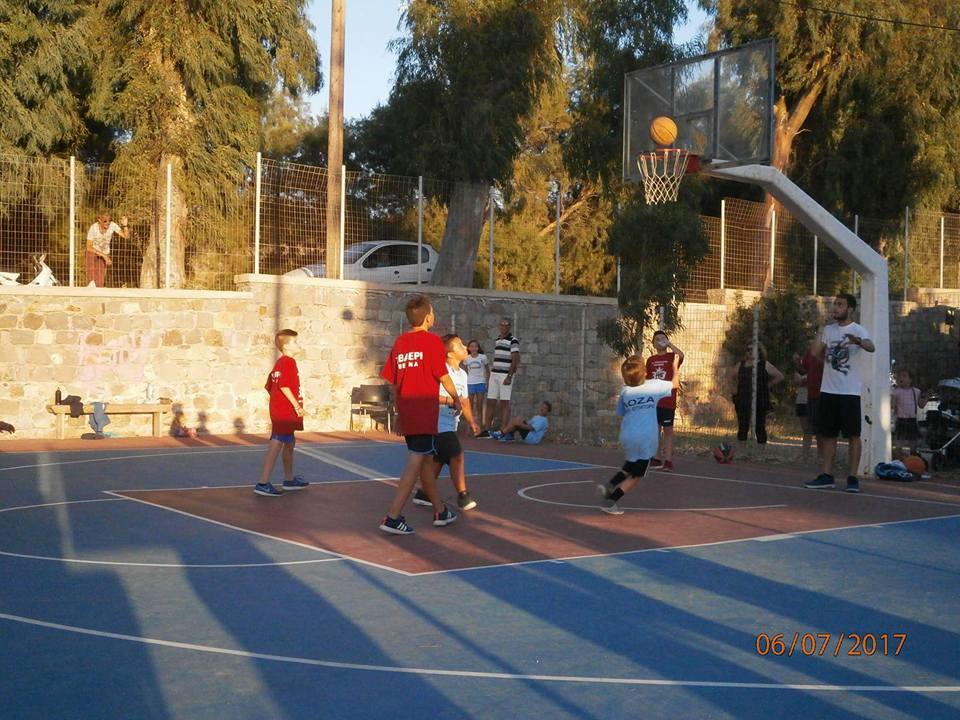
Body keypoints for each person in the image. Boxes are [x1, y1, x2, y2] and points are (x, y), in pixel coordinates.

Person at [379, 294, 462, 535]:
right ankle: (393, 516)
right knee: (416, 460)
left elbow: (395, 382)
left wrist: (398, 412)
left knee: (425, 459)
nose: (434, 315)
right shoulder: (432, 342)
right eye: (432, 312)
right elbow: (443, 376)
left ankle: (440, 511)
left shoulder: (400, 343)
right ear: (427, 318)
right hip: (423, 411)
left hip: (407, 410)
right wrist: (456, 398)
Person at [805, 293, 875, 493]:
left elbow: (871, 347)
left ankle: (852, 477)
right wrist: (820, 328)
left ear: (850, 309)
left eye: (840, 304)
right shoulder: (829, 330)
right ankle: (827, 475)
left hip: (850, 392)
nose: (835, 308)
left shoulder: (858, 330)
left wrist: (858, 341)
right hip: (828, 390)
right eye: (835, 304)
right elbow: (814, 352)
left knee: (853, 435)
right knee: (828, 434)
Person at [598, 354, 680, 515]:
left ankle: (610, 485)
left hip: (627, 435)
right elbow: (675, 383)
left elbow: (621, 412)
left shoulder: (625, 391)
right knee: (637, 474)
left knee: (630, 464)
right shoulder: (654, 385)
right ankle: (611, 501)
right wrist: (675, 366)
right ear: (646, 373)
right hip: (645, 437)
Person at [413, 334, 482, 511]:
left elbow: (464, 401)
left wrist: (471, 422)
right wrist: (449, 401)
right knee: (457, 454)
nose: (465, 347)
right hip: (437, 422)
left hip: (451, 423)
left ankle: (424, 493)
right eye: (460, 345)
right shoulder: (440, 370)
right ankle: (463, 496)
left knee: (441, 457)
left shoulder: (463, 375)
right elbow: (428, 395)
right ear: (450, 354)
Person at [253, 329, 310, 497]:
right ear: (286, 346)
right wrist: (296, 406)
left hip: (281, 410)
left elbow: (270, 386)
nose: (298, 344)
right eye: (295, 342)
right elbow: (284, 385)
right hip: (285, 412)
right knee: (277, 442)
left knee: (290, 442)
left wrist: (278, 402)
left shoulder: (279, 364)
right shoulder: (289, 362)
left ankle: (289, 479)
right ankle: (263, 483)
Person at [727, 345, 785, 444]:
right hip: (743, 398)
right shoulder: (741, 364)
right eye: (748, 349)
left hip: (760, 398)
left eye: (753, 349)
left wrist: (767, 385)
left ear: (759, 351)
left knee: (760, 426)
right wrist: (733, 388)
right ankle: (742, 448)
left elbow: (779, 376)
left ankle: (760, 449)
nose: (750, 352)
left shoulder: (764, 364)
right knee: (743, 425)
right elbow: (729, 375)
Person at [645, 330, 684, 472]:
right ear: (653, 344)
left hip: (668, 400)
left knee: (668, 431)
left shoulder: (672, 356)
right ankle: (656, 458)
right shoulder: (651, 360)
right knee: (654, 430)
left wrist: (670, 344)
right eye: (657, 339)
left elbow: (681, 355)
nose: (660, 340)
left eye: (663, 338)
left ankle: (668, 460)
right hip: (654, 401)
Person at [481, 318, 520, 436]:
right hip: (494, 374)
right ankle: (487, 430)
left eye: (506, 325)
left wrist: (509, 376)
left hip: (505, 375)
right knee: (490, 401)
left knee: (504, 403)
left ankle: (503, 432)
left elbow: (515, 359)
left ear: (509, 327)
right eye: (501, 324)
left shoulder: (513, 340)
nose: (503, 326)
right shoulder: (498, 339)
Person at [794, 349, 824, 459]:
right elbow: (798, 378)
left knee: (819, 429)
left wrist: (808, 380)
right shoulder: (804, 360)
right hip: (803, 397)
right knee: (806, 429)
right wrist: (798, 364)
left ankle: (821, 456)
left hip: (818, 397)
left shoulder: (824, 357)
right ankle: (805, 455)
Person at [85, 213, 129, 287]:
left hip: (104, 254)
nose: (108, 223)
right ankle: (91, 281)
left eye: (109, 220)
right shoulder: (93, 228)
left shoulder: (112, 225)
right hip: (94, 253)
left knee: (100, 281)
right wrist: (104, 256)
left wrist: (125, 226)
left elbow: (126, 236)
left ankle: (96, 287)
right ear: (99, 220)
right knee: (90, 254)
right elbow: (89, 247)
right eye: (105, 221)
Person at [892, 369, 921, 454]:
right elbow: (892, 406)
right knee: (899, 444)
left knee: (913, 444)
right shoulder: (896, 392)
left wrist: (927, 396)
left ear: (910, 380)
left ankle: (913, 458)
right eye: (899, 376)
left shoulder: (916, 391)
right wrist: (893, 399)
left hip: (912, 420)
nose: (901, 378)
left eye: (904, 376)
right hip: (901, 420)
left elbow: (921, 405)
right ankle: (899, 459)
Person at [463, 340, 490, 431]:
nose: (473, 348)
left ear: (478, 348)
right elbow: (465, 371)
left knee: (479, 405)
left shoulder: (483, 357)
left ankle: (480, 428)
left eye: (475, 346)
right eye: (471, 346)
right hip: (470, 383)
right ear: (469, 348)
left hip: (480, 382)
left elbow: (487, 370)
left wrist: (487, 382)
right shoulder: (466, 358)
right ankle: (469, 428)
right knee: (469, 406)